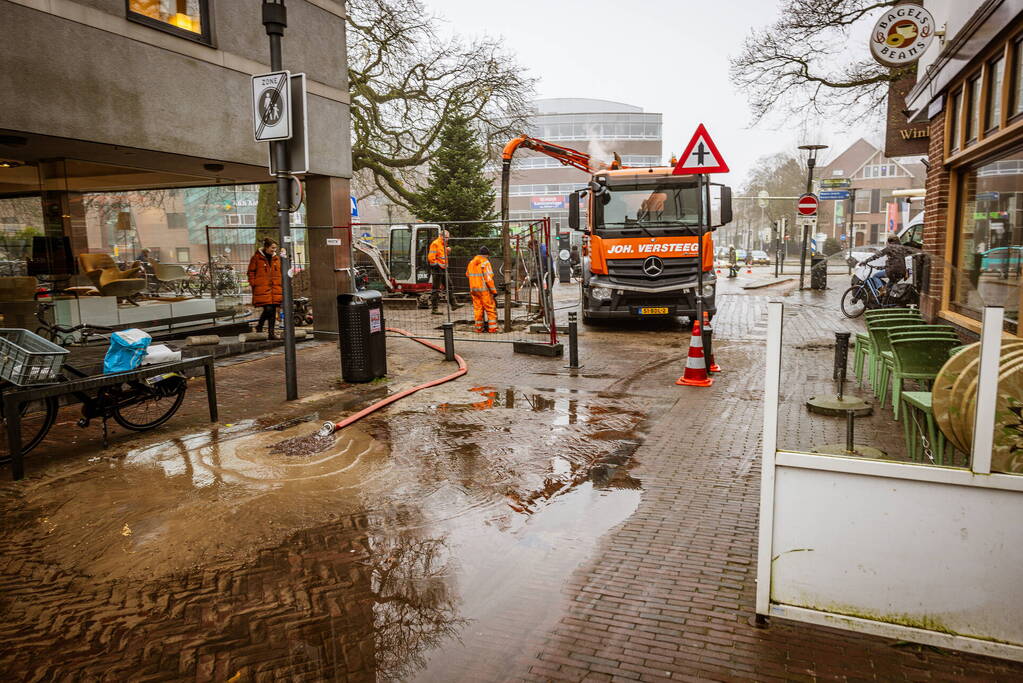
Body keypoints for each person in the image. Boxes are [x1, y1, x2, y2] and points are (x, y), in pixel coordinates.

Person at [247, 238, 283, 339]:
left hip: (275, 288)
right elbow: (251, 272)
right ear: (266, 247)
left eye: (275, 248)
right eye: (272, 248)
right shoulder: (256, 258)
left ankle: (270, 333)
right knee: (268, 309)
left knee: (272, 309)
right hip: (262, 288)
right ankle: (260, 326)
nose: (274, 250)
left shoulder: (276, 258)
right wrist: (254, 283)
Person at [466, 246, 498, 333]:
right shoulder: (486, 263)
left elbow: (467, 274)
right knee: (490, 308)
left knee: (478, 309)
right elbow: (488, 279)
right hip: (484, 290)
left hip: (474, 289)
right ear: (487, 255)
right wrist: (494, 291)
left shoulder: (471, 262)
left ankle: (479, 328)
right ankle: (492, 329)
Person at [427, 229, 457, 314]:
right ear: (441, 236)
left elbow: (441, 256)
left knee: (449, 285)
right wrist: (437, 265)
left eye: (448, 237)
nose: (448, 239)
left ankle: (454, 304)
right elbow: (431, 257)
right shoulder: (436, 243)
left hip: (443, 268)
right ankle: (434, 309)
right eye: (446, 237)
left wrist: (447, 251)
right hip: (437, 269)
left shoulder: (443, 244)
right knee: (436, 289)